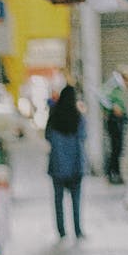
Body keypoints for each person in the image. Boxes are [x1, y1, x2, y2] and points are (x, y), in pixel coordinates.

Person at [45, 84, 87, 241]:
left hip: (58, 164)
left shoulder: (54, 114)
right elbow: (83, 136)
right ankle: (77, 229)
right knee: (76, 200)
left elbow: (48, 135)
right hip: (76, 163)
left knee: (58, 199)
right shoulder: (78, 116)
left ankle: (61, 230)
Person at [100, 64, 128, 184]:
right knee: (116, 147)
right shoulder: (115, 83)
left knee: (117, 147)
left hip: (117, 119)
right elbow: (101, 95)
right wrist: (111, 107)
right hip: (114, 120)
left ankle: (114, 173)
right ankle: (113, 173)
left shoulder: (116, 84)